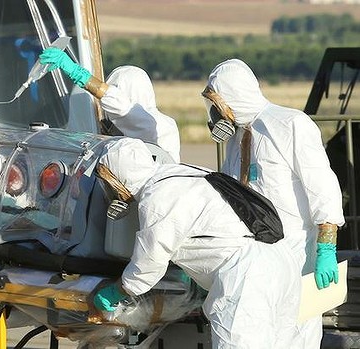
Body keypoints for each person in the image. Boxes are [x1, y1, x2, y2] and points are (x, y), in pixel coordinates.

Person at [91, 137, 300, 348]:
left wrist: (117, 291)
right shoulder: (183, 173)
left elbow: (149, 265)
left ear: (120, 176)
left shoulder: (157, 197)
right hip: (282, 263)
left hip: (247, 276)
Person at [203, 58, 345, 348]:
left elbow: (323, 186)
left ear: (235, 96)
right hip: (254, 258)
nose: (216, 114)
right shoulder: (236, 140)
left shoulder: (290, 124)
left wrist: (326, 246)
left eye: (218, 103)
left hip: (295, 252)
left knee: (296, 335)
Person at [39, 48, 181, 163]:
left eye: (116, 90)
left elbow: (121, 107)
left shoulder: (158, 124)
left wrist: (80, 75)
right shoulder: (120, 128)